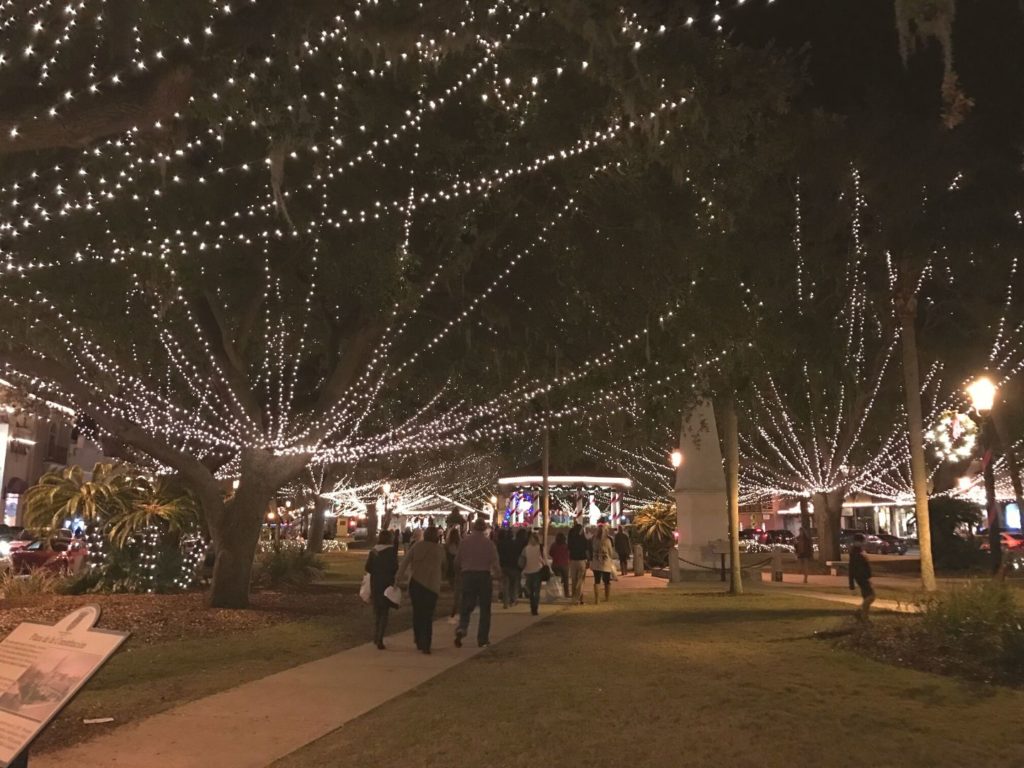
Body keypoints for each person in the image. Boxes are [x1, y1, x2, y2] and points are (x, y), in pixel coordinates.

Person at [454, 518, 501, 648]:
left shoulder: (464, 542)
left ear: (474, 527)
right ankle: (482, 638)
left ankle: (462, 627)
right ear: (485, 528)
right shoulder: (489, 544)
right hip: (484, 576)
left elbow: (457, 561)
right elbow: (495, 562)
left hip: (468, 575)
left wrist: (458, 573)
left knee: (466, 604)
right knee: (485, 608)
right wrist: (499, 575)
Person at [398, 524, 444, 653]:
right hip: (432, 585)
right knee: (428, 616)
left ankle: (418, 638)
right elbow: (444, 565)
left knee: (418, 613)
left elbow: (405, 562)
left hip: (416, 583)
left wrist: (398, 578)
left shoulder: (417, 546)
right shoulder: (439, 550)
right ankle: (426, 643)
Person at [365, 530, 399, 650]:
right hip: (386, 583)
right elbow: (395, 567)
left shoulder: (374, 551)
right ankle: (379, 637)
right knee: (384, 611)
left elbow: (367, 567)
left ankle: (376, 635)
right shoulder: (391, 551)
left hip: (375, 582)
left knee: (377, 610)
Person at [848, 533, 876, 621]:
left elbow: (865, 565)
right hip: (861, 577)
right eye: (862, 541)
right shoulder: (855, 553)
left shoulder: (860, 551)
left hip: (864, 577)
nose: (864, 543)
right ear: (857, 542)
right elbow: (851, 568)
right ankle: (862, 614)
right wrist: (851, 584)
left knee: (867, 597)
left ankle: (864, 616)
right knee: (871, 596)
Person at [521, 532, 547, 616]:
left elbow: (523, 559)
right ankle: (535, 607)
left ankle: (533, 606)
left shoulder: (526, 548)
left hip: (528, 570)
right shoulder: (540, 548)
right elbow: (544, 559)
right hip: (537, 570)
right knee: (536, 591)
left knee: (531, 590)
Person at [498, 528, 524, 608]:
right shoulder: (515, 544)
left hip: (504, 566)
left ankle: (505, 602)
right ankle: (513, 600)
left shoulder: (501, 544)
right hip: (514, 566)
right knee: (513, 584)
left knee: (505, 585)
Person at [589, 525, 615, 604]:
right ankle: (607, 597)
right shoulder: (607, 541)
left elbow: (592, 549)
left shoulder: (594, 540)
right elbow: (610, 552)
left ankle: (597, 599)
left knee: (597, 581)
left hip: (596, 562)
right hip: (605, 562)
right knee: (606, 581)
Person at [567, 521, 589, 605]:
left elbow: (568, 549)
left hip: (573, 560)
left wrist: (569, 559)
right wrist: (588, 560)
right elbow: (586, 550)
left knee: (574, 580)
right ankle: (579, 598)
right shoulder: (583, 539)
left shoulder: (571, 538)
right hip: (582, 560)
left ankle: (574, 597)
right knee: (581, 581)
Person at [445, 526, 462, 621]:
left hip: (451, 569)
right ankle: (457, 606)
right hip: (459, 569)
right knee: (458, 589)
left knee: (455, 589)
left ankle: (456, 606)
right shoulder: (461, 545)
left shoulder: (447, 546)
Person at [548, 531, 570, 598]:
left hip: (556, 564)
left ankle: (558, 593)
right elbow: (569, 554)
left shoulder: (553, 545)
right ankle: (567, 594)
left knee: (558, 580)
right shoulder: (566, 545)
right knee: (566, 580)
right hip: (565, 565)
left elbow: (550, 553)